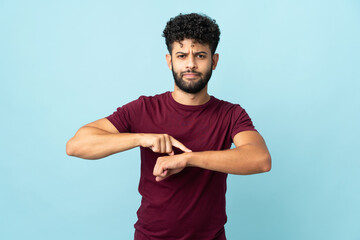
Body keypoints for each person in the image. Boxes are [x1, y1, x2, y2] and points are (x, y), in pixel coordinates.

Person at [66, 13, 271, 240]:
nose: (191, 64)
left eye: (200, 55)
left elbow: (260, 159)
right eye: (182, 55)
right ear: (169, 60)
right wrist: (142, 138)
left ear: (214, 61)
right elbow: (76, 145)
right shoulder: (144, 108)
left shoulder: (231, 114)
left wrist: (187, 159)